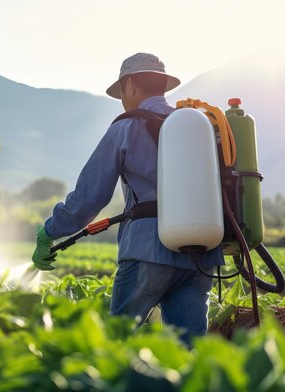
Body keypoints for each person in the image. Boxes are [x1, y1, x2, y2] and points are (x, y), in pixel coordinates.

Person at [32, 52, 224, 345]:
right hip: (201, 256)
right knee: (188, 352)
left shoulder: (125, 127)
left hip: (148, 252)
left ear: (130, 85)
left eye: (121, 92)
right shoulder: (200, 127)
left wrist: (50, 231)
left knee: (115, 345)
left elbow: (88, 197)